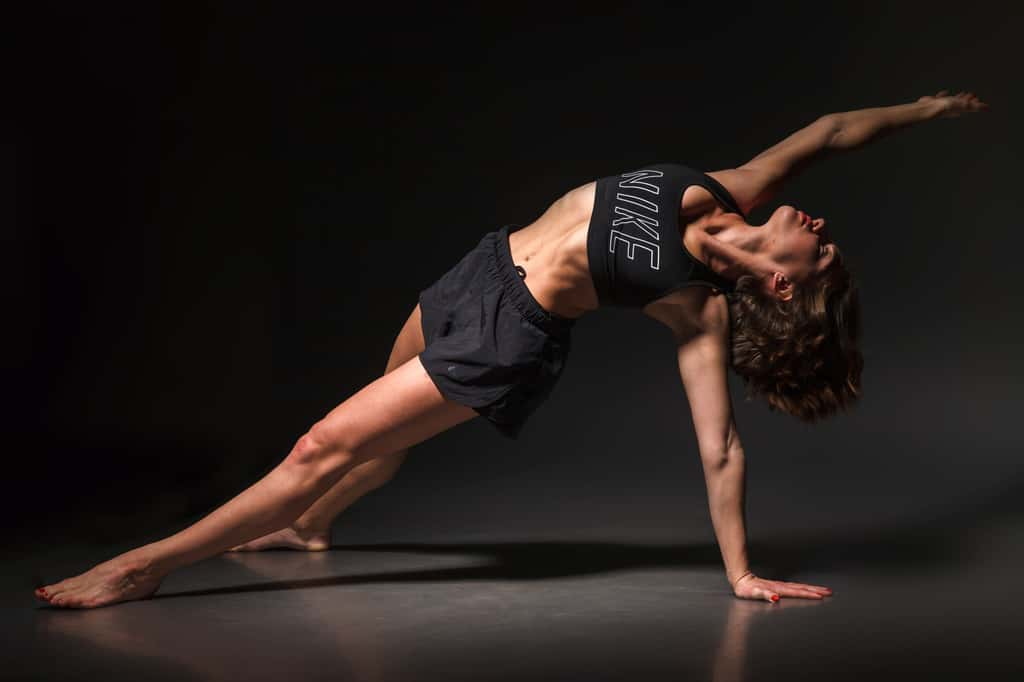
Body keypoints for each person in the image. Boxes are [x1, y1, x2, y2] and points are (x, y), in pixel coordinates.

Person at [34, 91, 988, 609]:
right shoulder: (729, 188)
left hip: (506, 336)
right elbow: (829, 130)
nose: (818, 227)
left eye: (818, 250)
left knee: (322, 444)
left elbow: (720, 447)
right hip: (477, 271)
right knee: (374, 423)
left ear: (780, 283)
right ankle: (316, 528)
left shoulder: (695, 309)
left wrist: (740, 573)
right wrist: (930, 111)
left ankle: (145, 565)